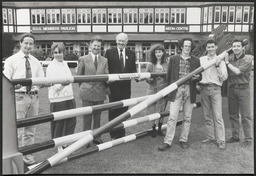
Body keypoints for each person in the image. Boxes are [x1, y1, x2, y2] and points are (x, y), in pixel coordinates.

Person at [3, 33, 45, 165]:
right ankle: (16, 161)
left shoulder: (36, 62)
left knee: (30, 131)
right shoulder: (11, 61)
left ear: (33, 45)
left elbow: (42, 80)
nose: (28, 46)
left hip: (34, 97)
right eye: (25, 43)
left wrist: (38, 83)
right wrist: (16, 85)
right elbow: (6, 82)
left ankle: (28, 159)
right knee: (18, 131)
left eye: (30, 43)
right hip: (19, 97)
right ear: (20, 43)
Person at [158, 37, 201, 151]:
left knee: (187, 117)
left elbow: (200, 76)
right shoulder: (173, 59)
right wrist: (168, 91)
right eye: (185, 46)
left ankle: (183, 140)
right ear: (181, 46)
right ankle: (168, 141)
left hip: (189, 89)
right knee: (172, 117)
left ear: (191, 47)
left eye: (189, 46)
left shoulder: (196, 60)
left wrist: (198, 77)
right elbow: (168, 76)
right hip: (176, 90)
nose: (187, 48)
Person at [77, 36, 109, 145]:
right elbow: (79, 78)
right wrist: (85, 87)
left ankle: (96, 137)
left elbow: (106, 75)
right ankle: (85, 140)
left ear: (101, 47)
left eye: (98, 46)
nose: (96, 47)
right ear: (90, 45)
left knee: (97, 117)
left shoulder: (105, 60)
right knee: (86, 118)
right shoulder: (83, 59)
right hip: (86, 92)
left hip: (100, 92)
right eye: (94, 45)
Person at [105, 33, 137, 140]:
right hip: (113, 88)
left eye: (123, 41)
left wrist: (137, 76)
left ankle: (121, 132)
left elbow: (133, 69)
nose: (121, 43)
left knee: (124, 110)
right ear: (116, 40)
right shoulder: (109, 52)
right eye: (119, 40)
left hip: (126, 88)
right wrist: (107, 86)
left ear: (127, 42)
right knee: (113, 110)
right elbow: (106, 70)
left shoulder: (131, 53)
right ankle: (113, 134)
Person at [46, 42, 77, 152]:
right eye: (55, 52)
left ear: (64, 52)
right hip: (57, 99)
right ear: (52, 53)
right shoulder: (51, 66)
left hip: (69, 97)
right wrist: (62, 84)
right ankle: (59, 145)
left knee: (71, 121)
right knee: (59, 123)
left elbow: (69, 78)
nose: (58, 54)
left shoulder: (65, 63)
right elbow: (54, 86)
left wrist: (66, 83)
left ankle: (66, 143)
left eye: (60, 52)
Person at [223, 39, 253, 147]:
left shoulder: (248, 59)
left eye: (238, 46)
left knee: (245, 115)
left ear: (242, 47)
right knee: (233, 114)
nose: (236, 48)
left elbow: (238, 71)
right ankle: (235, 136)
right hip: (231, 89)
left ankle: (248, 139)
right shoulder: (230, 58)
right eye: (234, 46)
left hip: (243, 89)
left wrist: (226, 62)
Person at [198, 39, 228, 150]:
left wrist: (217, 65)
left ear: (216, 47)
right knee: (207, 116)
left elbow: (224, 77)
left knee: (218, 116)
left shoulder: (221, 61)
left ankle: (221, 141)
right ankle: (210, 137)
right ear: (206, 48)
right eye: (208, 47)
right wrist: (197, 83)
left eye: (212, 47)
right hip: (204, 89)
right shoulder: (201, 60)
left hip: (216, 89)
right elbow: (197, 74)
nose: (210, 49)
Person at [144, 44, 168, 137]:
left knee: (162, 109)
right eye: (156, 52)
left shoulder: (167, 63)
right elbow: (147, 77)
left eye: (160, 52)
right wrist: (151, 78)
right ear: (154, 54)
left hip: (164, 90)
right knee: (152, 109)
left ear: (163, 53)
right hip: (152, 90)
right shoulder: (150, 64)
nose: (158, 54)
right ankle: (153, 128)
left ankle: (160, 128)